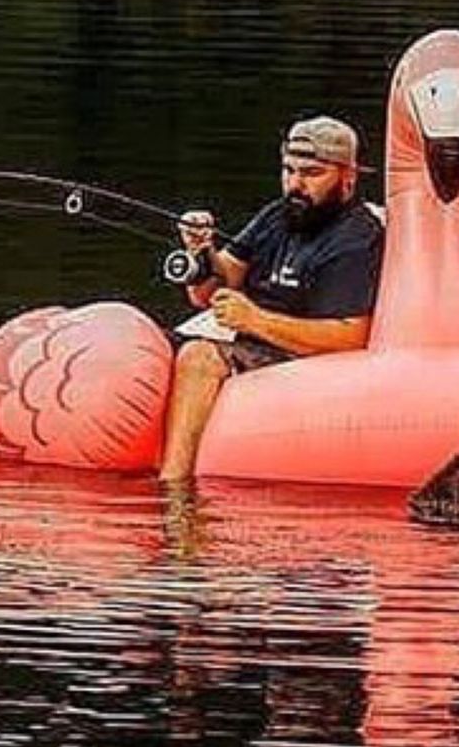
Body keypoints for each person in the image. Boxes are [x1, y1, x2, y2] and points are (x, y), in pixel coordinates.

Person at [159, 115, 384, 482]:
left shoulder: (358, 237)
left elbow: (351, 336)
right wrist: (202, 252)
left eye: (311, 174)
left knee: (198, 357)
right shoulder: (277, 216)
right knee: (153, 344)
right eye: (288, 170)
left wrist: (254, 320)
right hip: (241, 335)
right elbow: (208, 293)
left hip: (292, 357)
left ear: (348, 177)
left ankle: (174, 491)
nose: (295, 185)